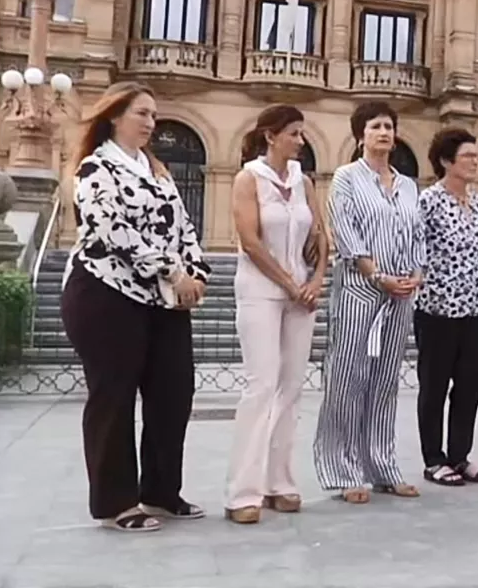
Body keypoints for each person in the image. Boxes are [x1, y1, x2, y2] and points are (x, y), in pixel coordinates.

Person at [60, 82, 211, 532]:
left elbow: (185, 227)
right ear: (113, 116)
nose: (150, 123)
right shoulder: (94, 169)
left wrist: (197, 272)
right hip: (105, 294)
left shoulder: (158, 171)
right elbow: (113, 232)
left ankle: (162, 492)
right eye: (141, 113)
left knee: (174, 391)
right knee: (114, 396)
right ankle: (116, 503)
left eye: (153, 115)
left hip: (162, 299)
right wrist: (172, 272)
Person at [313, 102, 423, 503]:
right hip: (361, 290)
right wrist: (376, 274)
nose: (384, 133)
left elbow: (418, 236)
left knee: (385, 382)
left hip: (401, 296)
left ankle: (383, 464)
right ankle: (342, 470)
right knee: (347, 379)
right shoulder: (346, 178)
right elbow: (343, 229)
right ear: (361, 134)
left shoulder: (409, 185)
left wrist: (416, 274)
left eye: (389, 126)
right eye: (376, 126)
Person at [225, 104, 327, 524]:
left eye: (302, 134)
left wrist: (317, 278)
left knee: (291, 387)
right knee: (261, 386)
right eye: (294, 134)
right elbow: (250, 240)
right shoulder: (248, 179)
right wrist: (288, 283)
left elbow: (321, 235)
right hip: (261, 292)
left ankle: (280, 483)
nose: (300, 141)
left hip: (302, 294)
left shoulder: (304, 182)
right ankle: (242, 493)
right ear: (271, 136)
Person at [414, 128, 478, 487]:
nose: (476, 162)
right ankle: (434, 458)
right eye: (468, 156)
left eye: (477, 156)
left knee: (469, 385)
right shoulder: (428, 201)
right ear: (447, 161)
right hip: (437, 307)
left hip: (475, 305)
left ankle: (460, 454)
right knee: (434, 385)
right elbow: (416, 249)